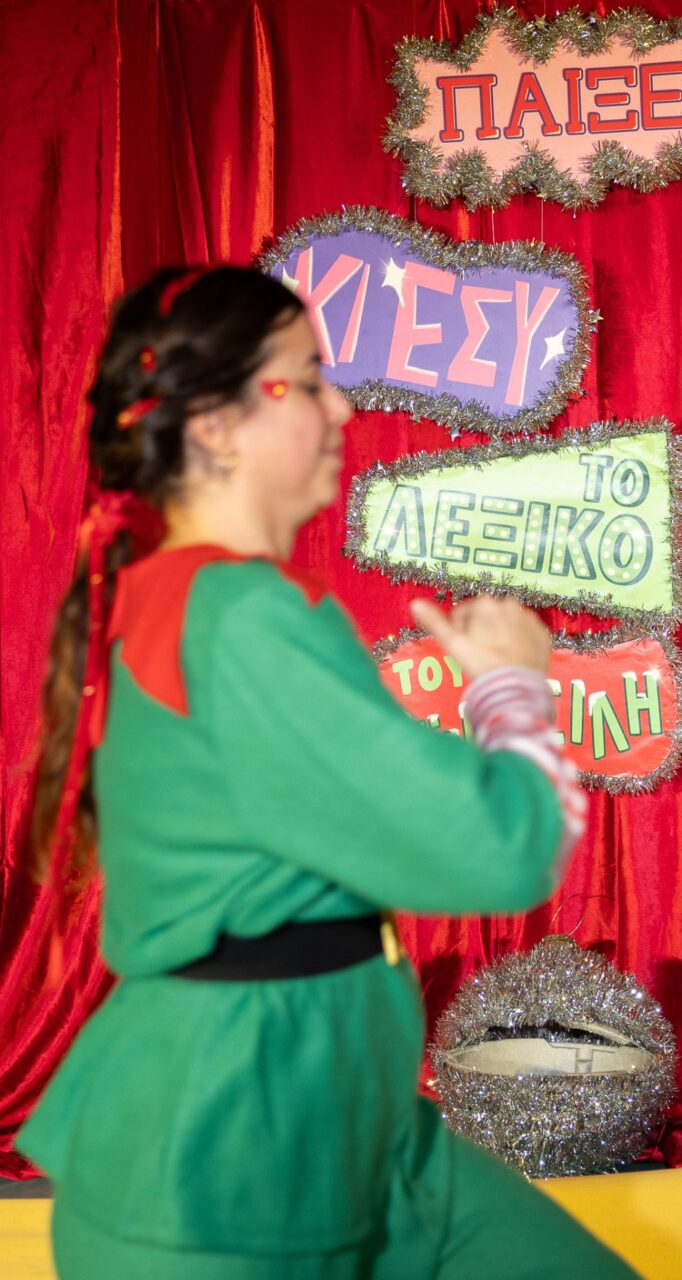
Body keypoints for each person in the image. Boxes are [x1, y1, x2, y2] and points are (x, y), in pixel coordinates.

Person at [16, 265, 636, 1279]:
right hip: (229, 1171)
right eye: (306, 381)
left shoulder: (197, 599)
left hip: (355, 1130)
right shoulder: (242, 615)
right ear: (216, 426)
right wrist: (511, 689)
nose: (341, 408)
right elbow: (502, 848)